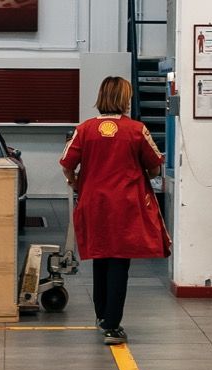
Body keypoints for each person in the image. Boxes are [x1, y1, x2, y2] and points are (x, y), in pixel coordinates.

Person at [61, 75, 169, 344]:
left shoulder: (84, 129)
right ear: (125, 99)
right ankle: (112, 325)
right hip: (125, 205)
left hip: (94, 203)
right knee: (120, 262)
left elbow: (66, 163)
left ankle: (101, 316)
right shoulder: (137, 130)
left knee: (100, 258)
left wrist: (76, 183)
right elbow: (155, 167)